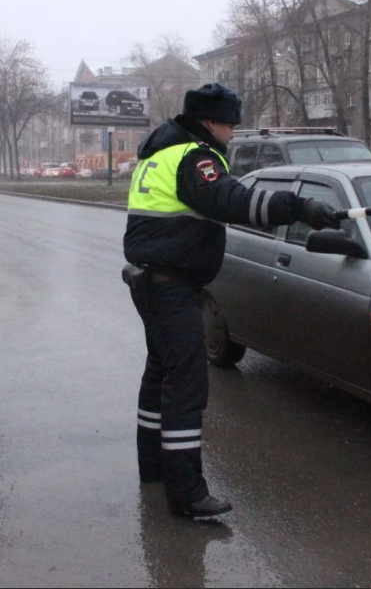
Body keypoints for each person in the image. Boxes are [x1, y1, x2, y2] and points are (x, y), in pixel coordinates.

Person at [123, 83, 340, 518]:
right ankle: (187, 495)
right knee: (185, 386)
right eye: (229, 123)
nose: (233, 132)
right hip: (171, 285)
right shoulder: (195, 156)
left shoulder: (160, 150)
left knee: (159, 375)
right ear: (209, 122)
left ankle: (154, 467)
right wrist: (297, 207)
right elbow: (230, 200)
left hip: (151, 279)